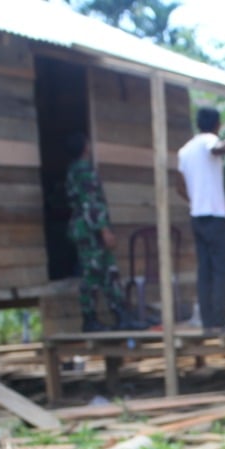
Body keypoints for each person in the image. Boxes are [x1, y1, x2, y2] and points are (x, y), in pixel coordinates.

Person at [176, 107, 225, 334]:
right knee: (221, 270)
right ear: (216, 124)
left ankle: (208, 323)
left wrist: (194, 200)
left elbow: (178, 186)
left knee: (205, 270)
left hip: (197, 215)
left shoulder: (185, 150)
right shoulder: (209, 141)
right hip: (214, 215)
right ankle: (220, 323)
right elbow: (220, 148)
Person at [65, 133, 138, 332]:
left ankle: (121, 315)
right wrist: (104, 230)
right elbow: (91, 204)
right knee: (93, 274)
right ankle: (90, 319)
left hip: (87, 229)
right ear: (84, 147)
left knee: (110, 273)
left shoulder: (74, 171)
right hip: (91, 231)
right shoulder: (83, 170)